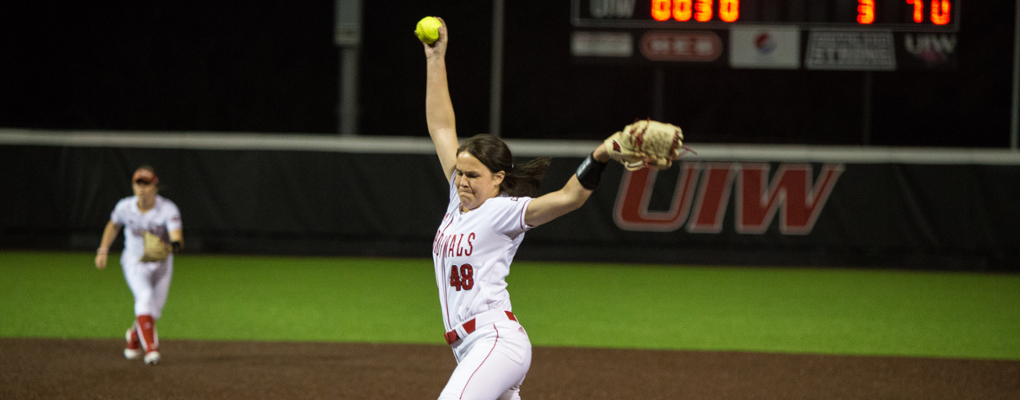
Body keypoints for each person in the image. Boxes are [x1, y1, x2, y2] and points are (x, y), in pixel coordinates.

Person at [422, 17, 647, 400]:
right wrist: (436, 57)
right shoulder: (455, 200)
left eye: (472, 175)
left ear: (497, 178)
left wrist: (600, 155)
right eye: (459, 172)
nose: (461, 180)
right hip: (469, 348)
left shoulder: (503, 212)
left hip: (495, 342)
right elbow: (442, 127)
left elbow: (569, 197)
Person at [95, 165, 183, 366]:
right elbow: (113, 224)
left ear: (155, 187)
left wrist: (171, 247)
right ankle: (152, 350)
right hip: (134, 261)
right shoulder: (125, 207)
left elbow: (177, 237)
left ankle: (134, 336)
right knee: (144, 297)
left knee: (155, 311)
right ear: (133, 187)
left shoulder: (168, 209)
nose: (142, 188)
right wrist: (103, 250)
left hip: (161, 263)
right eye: (138, 184)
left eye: (146, 184)